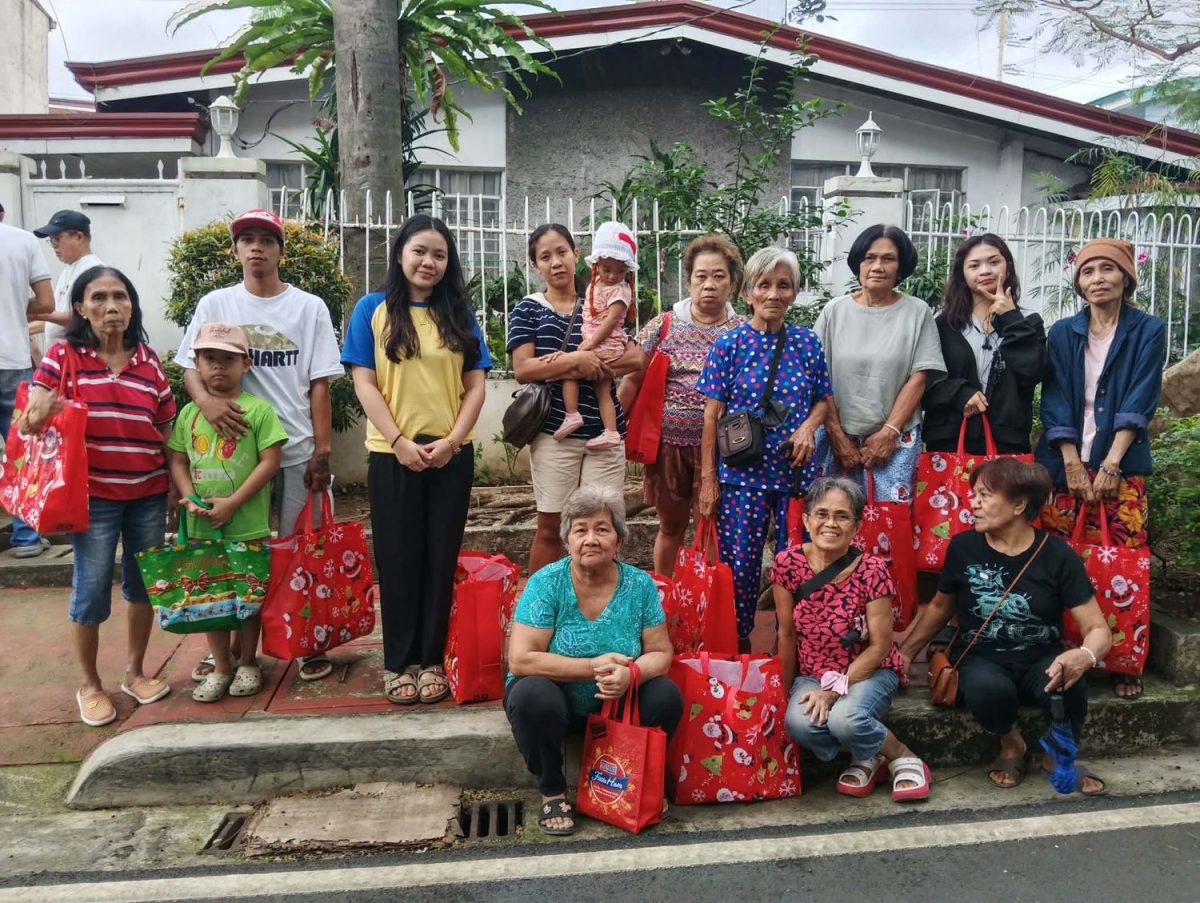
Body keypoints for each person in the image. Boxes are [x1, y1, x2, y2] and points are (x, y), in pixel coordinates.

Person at [176, 208, 344, 682]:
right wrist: (207, 403)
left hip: (294, 450)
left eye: (266, 240)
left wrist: (322, 452)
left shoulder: (308, 307)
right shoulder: (216, 303)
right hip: (230, 456)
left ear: (280, 251)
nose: (256, 247)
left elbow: (320, 383)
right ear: (235, 250)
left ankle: (307, 642)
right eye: (247, 239)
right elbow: (189, 366)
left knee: (303, 549)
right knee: (230, 554)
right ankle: (229, 650)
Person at [342, 215, 490, 704]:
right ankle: (398, 662)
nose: (429, 262)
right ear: (400, 254)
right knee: (398, 558)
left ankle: (431, 660)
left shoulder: (459, 315)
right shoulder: (372, 310)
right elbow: (364, 382)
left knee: (439, 557)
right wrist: (399, 441)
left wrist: (453, 441)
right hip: (393, 454)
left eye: (439, 255)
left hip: (451, 455)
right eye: (420, 251)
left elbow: (475, 386)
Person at [19, 266, 176, 726]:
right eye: (99, 298)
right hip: (92, 500)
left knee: (143, 586)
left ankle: (135, 672)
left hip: (148, 493)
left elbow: (165, 428)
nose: (111, 307)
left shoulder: (148, 360)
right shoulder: (62, 357)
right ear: (81, 308)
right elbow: (28, 424)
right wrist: (40, 411)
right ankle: (89, 684)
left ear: (132, 306)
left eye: (120, 297)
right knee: (90, 591)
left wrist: (172, 487)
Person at [899, 458, 1111, 794]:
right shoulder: (963, 547)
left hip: (1041, 656)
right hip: (981, 656)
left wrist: (1084, 656)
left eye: (984, 495)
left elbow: (1098, 629)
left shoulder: (1058, 555)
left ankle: (1057, 754)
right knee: (987, 689)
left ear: (1018, 505)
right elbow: (940, 606)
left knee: (1070, 683)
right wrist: (907, 652)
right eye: (973, 494)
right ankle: (1012, 744)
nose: (973, 503)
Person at [505, 485, 681, 836]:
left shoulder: (640, 585)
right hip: (558, 702)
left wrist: (631, 674)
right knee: (531, 695)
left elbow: (661, 653)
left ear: (619, 539)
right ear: (567, 539)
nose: (591, 539)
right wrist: (593, 667)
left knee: (665, 696)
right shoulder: (546, 583)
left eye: (602, 529)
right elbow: (521, 660)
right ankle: (553, 791)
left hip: (617, 706)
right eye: (580, 530)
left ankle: (636, 780)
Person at [1036, 238, 1165, 700]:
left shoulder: (1147, 329)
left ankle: (1123, 659)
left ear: (1126, 277)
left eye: (1108, 269)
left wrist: (1111, 463)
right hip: (1064, 463)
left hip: (1121, 465)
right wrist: (1072, 462)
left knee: (1123, 560)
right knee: (1058, 559)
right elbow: (1054, 400)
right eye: (1088, 272)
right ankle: (1060, 652)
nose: (1097, 279)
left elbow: (1140, 397)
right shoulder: (1063, 332)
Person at [697, 247, 832, 646]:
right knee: (739, 567)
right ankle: (736, 647)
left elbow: (823, 400)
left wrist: (808, 428)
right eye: (764, 285)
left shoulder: (807, 343)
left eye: (783, 285)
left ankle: (790, 644)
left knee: (799, 564)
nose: (773, 294)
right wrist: (708, 480)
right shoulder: (730, 344)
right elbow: (711, 415)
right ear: (747, 293)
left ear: (794, 293)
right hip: (742, 476)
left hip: (795, 475)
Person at [771, 476, 930, 802]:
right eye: (822, 514)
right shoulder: (787, 564)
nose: (830, 524)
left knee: (845, 718)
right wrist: (781, 694)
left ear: (857, 526)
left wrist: (833, 690)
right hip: (813, 672)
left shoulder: (872, 569)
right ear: (806, 520)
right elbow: (786, 634)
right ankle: (868, 754)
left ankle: (901, 755)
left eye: (842, 516)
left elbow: (880, 645)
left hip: (868, 671)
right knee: (798, 723)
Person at [507, 224, 646, 576]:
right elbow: (523, 368)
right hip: (555, 433)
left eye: (562, 252)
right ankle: (541, 604)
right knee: (551, 528)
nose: (556, 262)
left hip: (605, 435)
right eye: (545, 256)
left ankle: (599, 604)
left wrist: (591, 363)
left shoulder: (603, 299)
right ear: (536, 265)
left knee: (603, 527)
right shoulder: (529, 309)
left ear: (576, 255)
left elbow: (636, 358)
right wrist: (575, 361)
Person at [167, 322, 287, 703]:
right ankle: (221, 666)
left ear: (246, 364)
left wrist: (233, 503)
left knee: (248, 597)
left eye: (228, 359)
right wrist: (189, 497)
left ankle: (249, 661)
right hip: (201, 527)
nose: (218, 366)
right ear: (197, 365)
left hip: (247, 526)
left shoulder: (260, 410)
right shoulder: (189, 414)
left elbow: (270, 462)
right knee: (211, 599)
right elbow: (178, 460)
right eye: (209, 358)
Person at [618, 233, 746, 576]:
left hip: (722, 451)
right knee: (670, 526)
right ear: (689, 280)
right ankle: (664, 593)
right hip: (668, 448)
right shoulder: (664, 325)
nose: (709, 285)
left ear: (732, 283)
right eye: (701, 276)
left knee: (712, 525)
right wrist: (612, 427)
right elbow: (632, 377)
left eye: (718, 276)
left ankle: (706, 598)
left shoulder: (742, 331)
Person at [814, 224, 945, 502]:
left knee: (890, 521)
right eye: (869, 258)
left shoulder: (917, 312)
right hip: (835, 437)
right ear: (858, 263)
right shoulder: (834, 311)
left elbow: (920, 376)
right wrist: (836, 434)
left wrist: (889, 432)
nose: (877, 266)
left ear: (901, 267)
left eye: (888, 259)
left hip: (895, 441)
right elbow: (817, 377)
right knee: (831, 517)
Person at [922, 234, 1047, 455]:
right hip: (950, 442)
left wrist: (1011, 318)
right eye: (974, 265)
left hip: (1007, 442)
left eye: (994, 262)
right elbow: (925, 382)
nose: (985, 271)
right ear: (962, 274)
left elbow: (1034, 372)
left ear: (1008, 267)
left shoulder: (1028, 322)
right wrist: (959, 394)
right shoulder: (942, 324)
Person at [553, 221, 637, 452]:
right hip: (600, 342)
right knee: (602, 389)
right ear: (597, 264)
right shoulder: (597, 283)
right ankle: (610, 431)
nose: (613, 275)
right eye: (607, 269)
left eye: (621, 271)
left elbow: (611, 321)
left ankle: (572, 414)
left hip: (605, 344)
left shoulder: (620, 291)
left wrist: (590, 343)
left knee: (569, 370)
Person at [0, 218, 54, 559]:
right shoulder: (22, 241)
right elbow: (46, 303)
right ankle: (26, 537)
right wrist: (16, 303)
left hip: (13, 357)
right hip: (11, 357)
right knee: (21, 450)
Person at [30, 210, 104, 351]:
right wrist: (26, 327)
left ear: (78, 237)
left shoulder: (94, 270)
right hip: (60, 356)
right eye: (51, 241)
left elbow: (86, 316)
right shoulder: (69, 268)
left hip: (80, 356)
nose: (54, 246)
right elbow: (57, 320)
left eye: (57, 239)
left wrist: (35, 313)